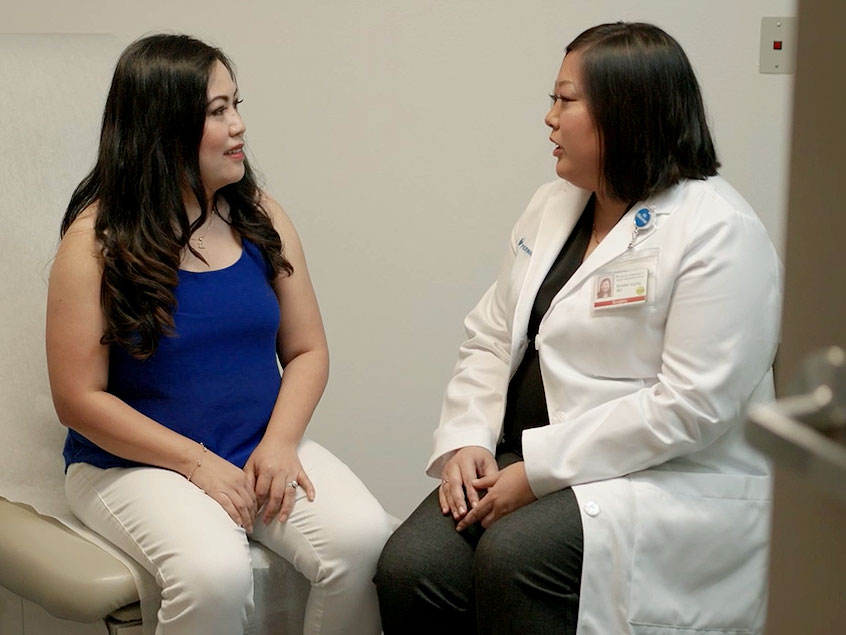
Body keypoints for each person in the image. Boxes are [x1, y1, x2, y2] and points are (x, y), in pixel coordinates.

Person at [375, 22, 781, 635]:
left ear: (625, 112)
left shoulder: (719, 231)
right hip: (526, 453)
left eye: (565, 100)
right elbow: (491, 335)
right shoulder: (554, 204)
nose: (549, 118)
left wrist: (537, 475)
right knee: (413, 568)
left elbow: (691, 407)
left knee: (516, 558)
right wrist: (467, 440)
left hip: (656, 478)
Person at [46, 33, 394, 635]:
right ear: (163, 127)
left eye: (236, 105)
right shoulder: (93, 244)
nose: (238, 127)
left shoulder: (260, 215)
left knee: (367, 543)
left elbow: (308, 350)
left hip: (256, 445)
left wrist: (281, 443)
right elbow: (78, 400)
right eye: (216, 111)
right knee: (215, 575)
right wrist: (196, 463)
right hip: (130, 466)